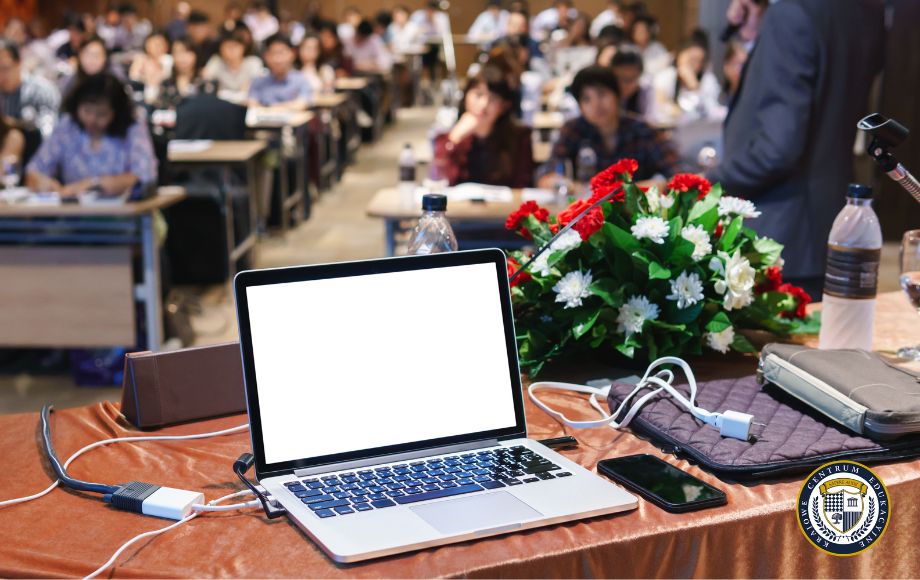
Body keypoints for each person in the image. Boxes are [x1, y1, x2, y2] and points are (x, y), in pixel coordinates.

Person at [707, 0, 884, 297]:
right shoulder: (866, 10)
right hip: (831, 223)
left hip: (782, 229)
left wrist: (709, 181)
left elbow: (776, 151)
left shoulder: (791, 12)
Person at [538, 65, 679, 187]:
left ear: (617, 96)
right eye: (586, 99)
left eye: (602, 94)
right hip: (586, 210)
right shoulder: (573, 130)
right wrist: (562, 184)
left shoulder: (643, 130)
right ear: (580, 106)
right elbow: (547, 174)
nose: (596, 105)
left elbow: (676, 173)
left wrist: (654, 184)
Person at [25, 72, 156, 198]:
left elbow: (144, 176)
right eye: (86, 111)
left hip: (126, 215)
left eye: (101, 114)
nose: (92, 120)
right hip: (76, 216)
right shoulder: (68, 125)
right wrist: (45, 183)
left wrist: (94, 184)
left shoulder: (132, 127)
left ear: (117, 113)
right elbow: (35, 169)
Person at [433, 64, 533, 188]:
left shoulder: (520, 137)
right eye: (478, 95)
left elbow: (523, 184)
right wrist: (454, 138)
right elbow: (439, 181)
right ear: (465, 97)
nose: (483, 104)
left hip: (505, 207)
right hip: (459, 207)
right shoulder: (446, 138)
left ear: (504, 105)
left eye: (493, 98)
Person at [650, 34, 723, 125]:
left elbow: (711, 111)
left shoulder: (708, 80)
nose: (692, 64)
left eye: (698, 60)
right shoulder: (666, 76)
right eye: (690, 58)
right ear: (679, 56)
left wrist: (695, 87)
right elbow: (658, 106)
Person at [0, 40, 61, 134]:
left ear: (19, 63)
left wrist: (17, 125)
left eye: (4, 68)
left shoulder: (41, 90)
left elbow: (49, 131)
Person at [248, 34, 312, 110]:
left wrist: (272, 108)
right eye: (273, 53)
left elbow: (302, 104)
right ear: (266, 56)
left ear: (292, 54)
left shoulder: (301, 80)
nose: (277, 59)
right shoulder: (258, 82)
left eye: (281, 53)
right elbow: (252, 105)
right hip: (264, 122)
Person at [203, 28, 264, 98]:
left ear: (243, 48)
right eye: (228, 47)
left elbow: (254, 86)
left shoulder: (253, 62)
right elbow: (206, 79)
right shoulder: (216, 61)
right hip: (221, 103)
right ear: (221, 49)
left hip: (246, 102)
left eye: (235, 46)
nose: (231, 50)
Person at [156, 36, 215, 109]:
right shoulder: (166, 84)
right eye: (177, 52)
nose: (182, 57)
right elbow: (160, 109)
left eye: (186, 52)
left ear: (195, 54)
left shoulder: (205, 82)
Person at [129, 31, 173, 104]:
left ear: (166, 46)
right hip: (142, 98)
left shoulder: (168, 60)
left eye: (159, 44)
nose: (156, 47)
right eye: (153, 44)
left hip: (164, 98)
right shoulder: (141, 59)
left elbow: (166, 78)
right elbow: (133, 77)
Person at [611, 48, 652, 119]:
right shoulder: (606, 91)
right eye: (622, 78)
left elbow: (650, 120)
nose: (625, 85)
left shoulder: (644, 90)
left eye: (632, 79)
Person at [629, 15, 669, 81]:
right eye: (637, 30)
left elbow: (665, 64)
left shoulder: (657, 47)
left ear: (649, 32)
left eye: (642, 30)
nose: (639, 33)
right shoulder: (628, 49)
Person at [719, 41, 747, 106]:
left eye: (744, 65)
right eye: (736, 64)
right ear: (726, 66)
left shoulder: (753, 98)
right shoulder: (718, 97)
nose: (740, 70)